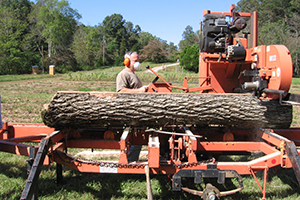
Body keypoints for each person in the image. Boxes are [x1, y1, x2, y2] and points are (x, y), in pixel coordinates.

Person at [116, 51, 148, 161]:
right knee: (135, 138)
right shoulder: (123, 74)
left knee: (138, 137)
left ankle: (132, 160)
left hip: (137, 111)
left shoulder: (133, 74)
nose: (137, 63)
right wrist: (140, 91)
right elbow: (121, 91)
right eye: (135, 61)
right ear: (127, 61)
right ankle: (130, 161)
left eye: (138, 60)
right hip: (131, 111)